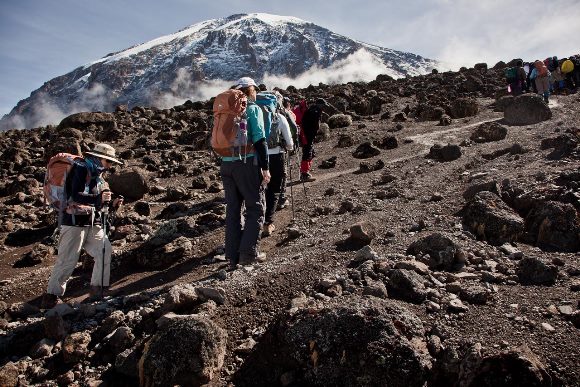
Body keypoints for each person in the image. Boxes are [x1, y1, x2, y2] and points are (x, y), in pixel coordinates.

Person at [41, 143, 123, 308]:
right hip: (73, 221)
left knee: (104, 250)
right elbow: (74, 195)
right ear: (99, 158)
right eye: (109, 161)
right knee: (67, 259)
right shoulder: (81, 168)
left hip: (92, 220)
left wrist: (112, 203)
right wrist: (98, 200)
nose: (110, 165)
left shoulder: (97, 174)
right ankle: (51, 297)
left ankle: (98, 289)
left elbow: (96, 199)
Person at [220, 77, 270, 267]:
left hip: (226, 164)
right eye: (255, 90)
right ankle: (248, 255)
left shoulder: (225, 110)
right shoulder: (252, 108)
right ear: (250, 90)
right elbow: (259, 140)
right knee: (255, 207)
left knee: (233, 210)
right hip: (246, 163)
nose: (256, 93)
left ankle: (232, 257)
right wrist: (265, 168)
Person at [263, 96, 294, 237]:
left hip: (256, 158)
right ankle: (267, 223)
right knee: (274, 189)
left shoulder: (251, 116)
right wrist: (289, 147)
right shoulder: (279, 117)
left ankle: (253, 220)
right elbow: (289, 141)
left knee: (258, 189)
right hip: (276, 156)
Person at [277, 97, 298, 210]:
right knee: (282, 174)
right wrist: (291, 143)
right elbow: (294, 128)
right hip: (281, 149)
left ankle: (268, 199)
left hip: (263, 150)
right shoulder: (283, 114)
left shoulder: (261, 112)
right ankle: (281, 199)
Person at [299, 98, 328, 182]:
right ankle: (304, 174)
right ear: (320, 105)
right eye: (323, 106)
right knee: (307, 153)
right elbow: (314, 125)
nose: (324, 108)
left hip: (306, 135)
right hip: (307, 136)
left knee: (309, 152)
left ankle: (305, 172)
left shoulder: (312, 110)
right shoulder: (315, 112)